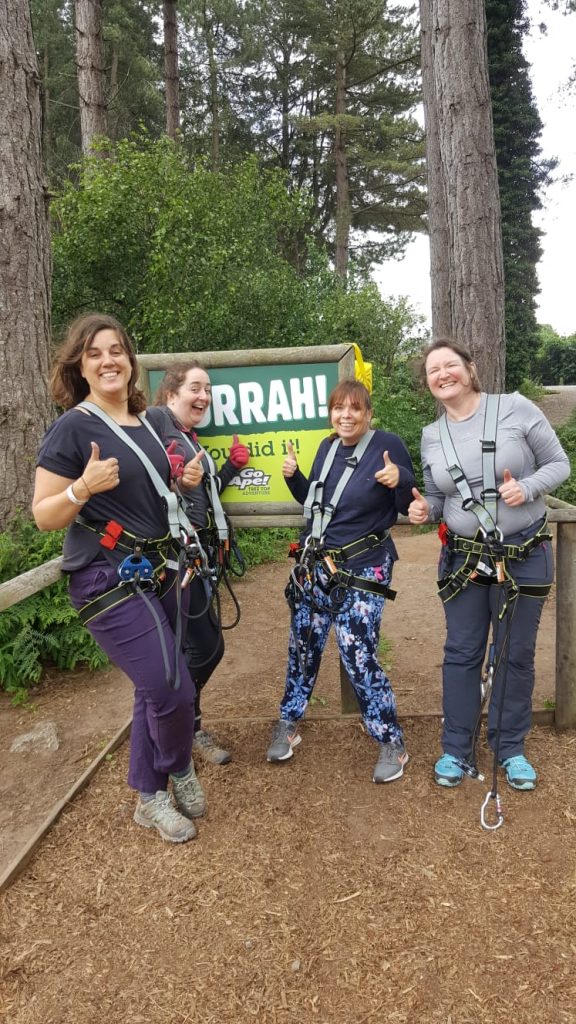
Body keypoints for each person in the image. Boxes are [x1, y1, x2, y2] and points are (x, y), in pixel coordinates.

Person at [33, 313, 209, 844]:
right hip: (104, 577)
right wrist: (81, 488)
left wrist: (183, 482)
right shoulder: (72, 427)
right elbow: (44, 514)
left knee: (150, 689)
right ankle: (177, 766)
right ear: (80, 367)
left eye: (116, 350)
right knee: (171, 689)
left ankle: (149, 795)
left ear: (130, 361)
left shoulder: (150, 422)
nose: (108, 360)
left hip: (158, 571)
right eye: (94, 353)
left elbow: (149, 496)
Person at [408, 338, 570, 791]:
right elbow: (437, 496)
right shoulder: (431, 435)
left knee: (514, 654)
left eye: (450, 365)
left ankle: (510, 747)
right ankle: (456, 748)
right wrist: (426, 511)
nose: (442, 374)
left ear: (470, 368)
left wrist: (530, 487)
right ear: (428, 383)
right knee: (461, 653)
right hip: (465, 559)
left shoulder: (516, 409)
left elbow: (559, 464)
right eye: (433, 370)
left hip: (523, 552)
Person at [266, 379, 416, 783]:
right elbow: (314, 503)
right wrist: (295, 477)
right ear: (331, 413)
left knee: (357, 653)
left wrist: (397, 478)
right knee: (303, 645)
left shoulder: (388, 445)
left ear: (368, 413)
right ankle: (289, 721)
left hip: (366, 566)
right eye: (338, 408)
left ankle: (390, 740)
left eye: (354, 408)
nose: (346, 415)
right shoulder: (327, 448)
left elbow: (407, 503)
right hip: (318, 566)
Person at [146, 362, 250, 766]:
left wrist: (229, 468)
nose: (204, 396)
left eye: (207, 390)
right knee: (204, 648)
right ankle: (176, 725)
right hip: (170, 559)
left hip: (197, 555)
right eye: (195, 388)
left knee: (200, 646)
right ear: (171, 393)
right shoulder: (157, 420)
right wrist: (169, 470)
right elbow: (143, 468)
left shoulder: (191, 437)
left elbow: (202, 493)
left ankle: (186, 726)